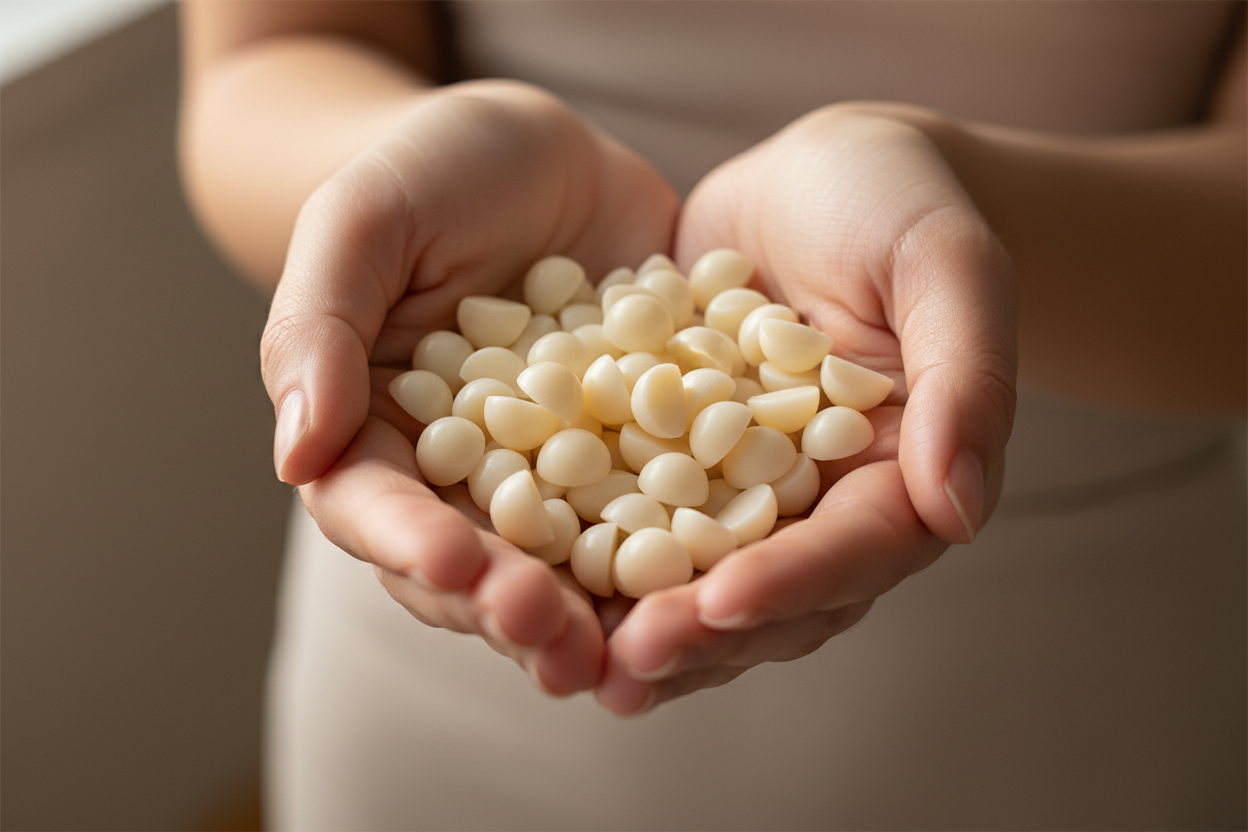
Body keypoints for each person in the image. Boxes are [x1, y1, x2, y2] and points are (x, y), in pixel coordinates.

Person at [179, 1, 1247, 827]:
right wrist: (391, 186)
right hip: (447, 635)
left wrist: (967, 222)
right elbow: (270, 54)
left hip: (1078, 674)